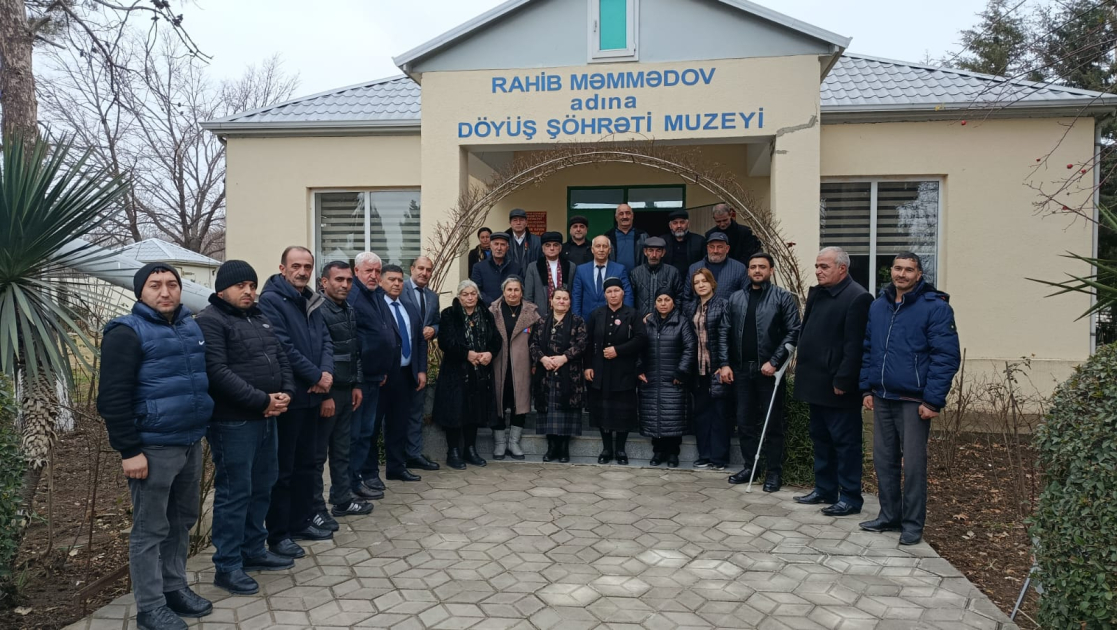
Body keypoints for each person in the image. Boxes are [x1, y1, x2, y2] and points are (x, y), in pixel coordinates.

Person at [98, 262, 215, 629]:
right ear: (140, 292)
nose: (165, 292)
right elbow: (112, 398)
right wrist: (129, 450)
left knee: (181, 520)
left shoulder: (189, 326)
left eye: (172, 284)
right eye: (155, 285)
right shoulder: (126, 332)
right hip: (152, 448)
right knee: (150, 529)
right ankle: (150, 607)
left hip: (189, 441)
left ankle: (174, 587)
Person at [196, 260, 296, 597]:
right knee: (234, 493)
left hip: (267, 418)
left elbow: (281, 358)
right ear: (222, 289)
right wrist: (261, 400)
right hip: (233, 421)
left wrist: (286, 393)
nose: (249, 291)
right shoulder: (210, 321)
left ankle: (254, 549)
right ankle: (227, 565)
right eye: (241, 286)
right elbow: (217, 372)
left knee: (263, 486)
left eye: (252, 286)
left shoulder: (259, 317)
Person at [859, 252, 960, 545]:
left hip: (914, 402)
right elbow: (869, 349)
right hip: (882, 396)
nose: (901, 274)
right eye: (897, 268)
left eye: (908, 270)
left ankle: (913, 524)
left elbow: (946, 357)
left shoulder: (935, 308)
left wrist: (932, 401)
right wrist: (867, 389)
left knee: (913, 466)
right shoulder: (879, 306)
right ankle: (889, 516)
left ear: (919, 275)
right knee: (883, 460)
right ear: (891, 270)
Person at [258, 246, 335, 555]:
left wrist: (326, 373)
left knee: (307, 465)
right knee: (284, 470)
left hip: (313, 395)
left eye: (307, 266)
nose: (302, 271)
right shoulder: (271, 301)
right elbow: (283, 346)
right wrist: (316, 375)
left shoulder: (311, 299)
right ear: (283, 268)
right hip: (291, 397)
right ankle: (279, 534)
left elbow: (325, 339)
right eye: (296, 266)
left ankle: (302, 521)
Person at [793, 247, 873, 516]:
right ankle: (824, 489)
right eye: (817, 266)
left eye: (824, 266)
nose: (818, 271)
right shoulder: (819, 293)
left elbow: (855, 346)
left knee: (846, 443)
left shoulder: (857, 297)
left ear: (842, 268)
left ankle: (850, 497)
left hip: (838, 387)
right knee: (821, 439)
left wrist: (844, 380)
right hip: (816, 383)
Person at [725, 252, 800, 492]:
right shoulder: (736, 298)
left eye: (762, 267)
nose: (757, 270)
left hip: (769, 372)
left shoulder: (782, 297)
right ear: (748, 271)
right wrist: (724, 363)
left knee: (772, 423)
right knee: (744, 422)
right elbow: (724, 331)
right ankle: (751, 467)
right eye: (753, 266)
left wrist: (775, 362)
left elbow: (793, 330)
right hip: (741, 371)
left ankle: (773, 473)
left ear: (771, 270)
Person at [309, 261, 372, 537]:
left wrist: (357, 383)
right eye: (339, 280)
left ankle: (342, 499)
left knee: (342, 449)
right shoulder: (318, 310)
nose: (345, 285)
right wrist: (325, 395)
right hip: (328, 393)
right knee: (317, 455)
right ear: (324, 282)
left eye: (348, 280)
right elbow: (319, 354)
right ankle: (314, 508)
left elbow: (354, 350)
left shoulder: (348, 309)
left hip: (347, 390)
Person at [432, 280, 502, 469]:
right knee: (454, 410)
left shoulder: (486, 314)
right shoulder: (449, 314)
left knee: (474, 411)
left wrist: (490, 353)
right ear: (459, 297)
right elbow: (445, 341)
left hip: (479, 372)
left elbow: (496, 339)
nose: (470, 297)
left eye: (473, 294)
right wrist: (466, 354)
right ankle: (453, 451)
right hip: (455, 371)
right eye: (465, 294)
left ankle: (470, 449)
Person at [584, 278, 647, 465]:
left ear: (623, 293)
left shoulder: (633, 314)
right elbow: (587, 342)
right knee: (603, 410)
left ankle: (620, 449)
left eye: (616, 291)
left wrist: (618, 350)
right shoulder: (596, 314)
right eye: (609, 291)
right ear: (605, 294)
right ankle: (606, 449)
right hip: (601, 370)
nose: (613, 295)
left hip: (624, 370)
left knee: (622, 412)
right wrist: (588, 366)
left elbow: (641, 338)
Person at [376, 265, 429, 482]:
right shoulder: (376, 306)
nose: (397, 284)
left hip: (406, 374)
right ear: (380, 281)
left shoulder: (409, 306)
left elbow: (420, 341)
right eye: (391, 279)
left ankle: (396, 468)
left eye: (399, 280)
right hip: (383, 376)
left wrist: (421, 369)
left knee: (399, 423)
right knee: (373, 426)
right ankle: (369, 474)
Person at [347, 252, 390, 501]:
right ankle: (349, 484)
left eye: (377, 271)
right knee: (355, 435)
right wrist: (359, 378)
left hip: (375, 376)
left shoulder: (375, 295)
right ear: (357, 271)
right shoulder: (353, 297)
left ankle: (358, 479)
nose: (373, 275)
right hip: (359, 380)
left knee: (366, 433)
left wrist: (381, 369)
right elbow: (353, 342)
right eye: (368, 271)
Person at [639, 290, 696, 468]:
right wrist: (639, 368)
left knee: (673, 417)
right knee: (654, 415)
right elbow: (638, 345)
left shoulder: (682, 322)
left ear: (673, 302)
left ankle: (673, 453)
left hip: (673, 379)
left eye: (667, 299)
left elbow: (690, 347)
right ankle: (658, 452)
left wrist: (681, 372)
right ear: (655, 303)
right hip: (651, 378)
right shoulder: (647, 323)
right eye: (659, 300)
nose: (663, 303)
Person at [529, 287, 587, 463]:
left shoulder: (577, 322)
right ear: (551, 301)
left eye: (565, 299)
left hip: (569, 375)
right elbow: (533, 344)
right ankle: (551, 447)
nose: (561, 301)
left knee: (566, 413)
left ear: (570, 303)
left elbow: (582, 344)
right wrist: (543, 359)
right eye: (558, 298)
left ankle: (563, 449)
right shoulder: (541, 322)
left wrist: (564, 358)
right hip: (546, 374)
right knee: (548, 412)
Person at [684, 268, 732, 470]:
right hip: (698, 369)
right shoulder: (691, 307)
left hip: (717, 368)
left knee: (720, 414)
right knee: (701, 413)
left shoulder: (723, 304)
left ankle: (719, 458)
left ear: (712, 283)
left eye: (704, 281)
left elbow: (726, 336)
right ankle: (704, 455)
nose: (701, 285)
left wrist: (724, 364)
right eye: (697, 282)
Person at [490, 276, 542, 461]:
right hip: (498, 363)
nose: (513, 293)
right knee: (498, 401)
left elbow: (537, 341)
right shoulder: (492, 311)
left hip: (522, 364)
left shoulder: (532, 313)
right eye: (509, 290)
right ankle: (499, 443)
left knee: (520, 402)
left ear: (522, 292)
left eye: (516, 290)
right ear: (503, 292)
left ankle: (514, 442)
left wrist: (535, 363)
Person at [400, 256, 441, 471]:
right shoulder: (399, 290)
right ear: (412, 269)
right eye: (421, 268)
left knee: (416, 411)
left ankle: (413, 454)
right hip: (398, 361)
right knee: (396, 412)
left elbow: (437, 322)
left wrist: (434, 329)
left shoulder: (432, 297)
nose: (424, 273)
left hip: (420, 360)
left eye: (428, 270)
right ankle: (396, 457)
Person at [572, 235, 632, 321]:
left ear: (609, 250)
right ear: (592, 250)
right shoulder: (581, 270)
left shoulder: (619, 269)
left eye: (604, 246)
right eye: (598, 246)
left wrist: (626, 317)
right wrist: (576, 319)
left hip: (613, 318)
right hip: (587, 319)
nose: (601, 250)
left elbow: (627, 294)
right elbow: (576, 296)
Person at [683, 232, 748, 306]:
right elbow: (687, 298)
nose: (715, 251)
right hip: (701, 312)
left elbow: (746, 296)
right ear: (707, 248)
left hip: (729, 312)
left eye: (720, 247)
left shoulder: (739, 268)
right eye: (712, 247)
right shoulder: (694, 268)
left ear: (727, 249)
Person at [525, 231, 577, 318]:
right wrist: (532, 316)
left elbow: (574, 293)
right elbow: (528, 297)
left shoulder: (570, 266)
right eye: (548, 245)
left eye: (555, 245)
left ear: (560, 248)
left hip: (565, 315)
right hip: (539, 316)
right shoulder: (533, 267)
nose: (552, 248)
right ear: (542, 248)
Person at [628, 236, 683, 319]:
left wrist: (673, 317)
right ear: (645, 252)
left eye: (658, 251)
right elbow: (630, 299)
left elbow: (679, 298)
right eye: (650, 250)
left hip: (667, 321)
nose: (654, 255)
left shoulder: (673, 272)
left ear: (663, 253)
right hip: (641, 320)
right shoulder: (636, 273)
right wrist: (636, 319)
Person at [472, 231, 521, 304]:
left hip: (509, 307)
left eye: (502, 245)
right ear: (490, 246)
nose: (499, 248)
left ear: (507, 248)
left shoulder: (516, 268)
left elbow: (519, 289)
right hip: (487, 308)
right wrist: (493, 304)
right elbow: (476, 290)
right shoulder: (478, 267)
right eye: (496, 244)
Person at [661, 209, 705, 278]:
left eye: (682, 222)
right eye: (675, 223)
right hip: (668, 280)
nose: (679, 226)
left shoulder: (699, 241)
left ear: (688, 224)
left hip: (693, 279)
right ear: (670, 226)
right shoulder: (663, 241)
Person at [605, 203, 648, 270]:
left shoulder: (643, 236)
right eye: (621, 214)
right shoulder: (608, 237)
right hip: (615, 275)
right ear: (616, 218)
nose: (625, 217)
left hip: (638, 275)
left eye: (628, 213)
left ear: (632, 216)